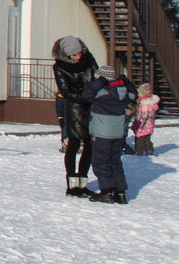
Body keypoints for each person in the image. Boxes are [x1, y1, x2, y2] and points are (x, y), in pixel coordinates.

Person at [83, 65, 138, 204]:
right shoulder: (123, 92)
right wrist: (128, 83)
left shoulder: (102, 93)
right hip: (118, 132)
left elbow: (86, 94)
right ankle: (120, 193)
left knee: (101, 162)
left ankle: (106, 192)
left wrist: (98, 82)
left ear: (101, 78)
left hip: (102, 133)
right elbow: (134, 95)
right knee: (115, 161)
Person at [52, 36, 97, 197]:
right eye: (74, 55)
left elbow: (97, 78)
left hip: (92, 107)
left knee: (89, 145)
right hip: (75, 108)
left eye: (79, 53)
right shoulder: (59, 67)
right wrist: (86, 97)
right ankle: (72, 186)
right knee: (74, 144)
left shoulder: (88, 58)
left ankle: (83, 184)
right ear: (67, 55)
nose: (78, 57)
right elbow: (65, 91)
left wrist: (95, 95)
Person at [131, 82, 160, 156]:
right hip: (149, 125)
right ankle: (149, 150)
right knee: (147, 139)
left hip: (143, 126)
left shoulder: (145, 103)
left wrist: (138, 126)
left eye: (139, 93)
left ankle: (139, 153)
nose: (138, 94)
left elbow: (143, 117)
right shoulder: (151, 102)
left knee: (139, 140)